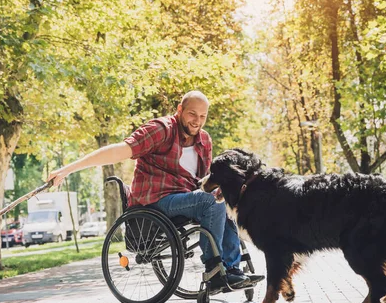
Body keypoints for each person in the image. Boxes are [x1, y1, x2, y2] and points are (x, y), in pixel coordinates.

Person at [47, 90, 261, 289]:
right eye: (192, 114)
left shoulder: (204, 139)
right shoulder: (161, 130)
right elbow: (120, 150)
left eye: (202, 116)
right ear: (179, 110)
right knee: (208, 201)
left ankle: (231, 269)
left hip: (185, 198)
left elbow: (203, 181)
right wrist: (69, 169)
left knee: (220, 199)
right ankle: (214, 271)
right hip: (155, 200)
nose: (197, 121)